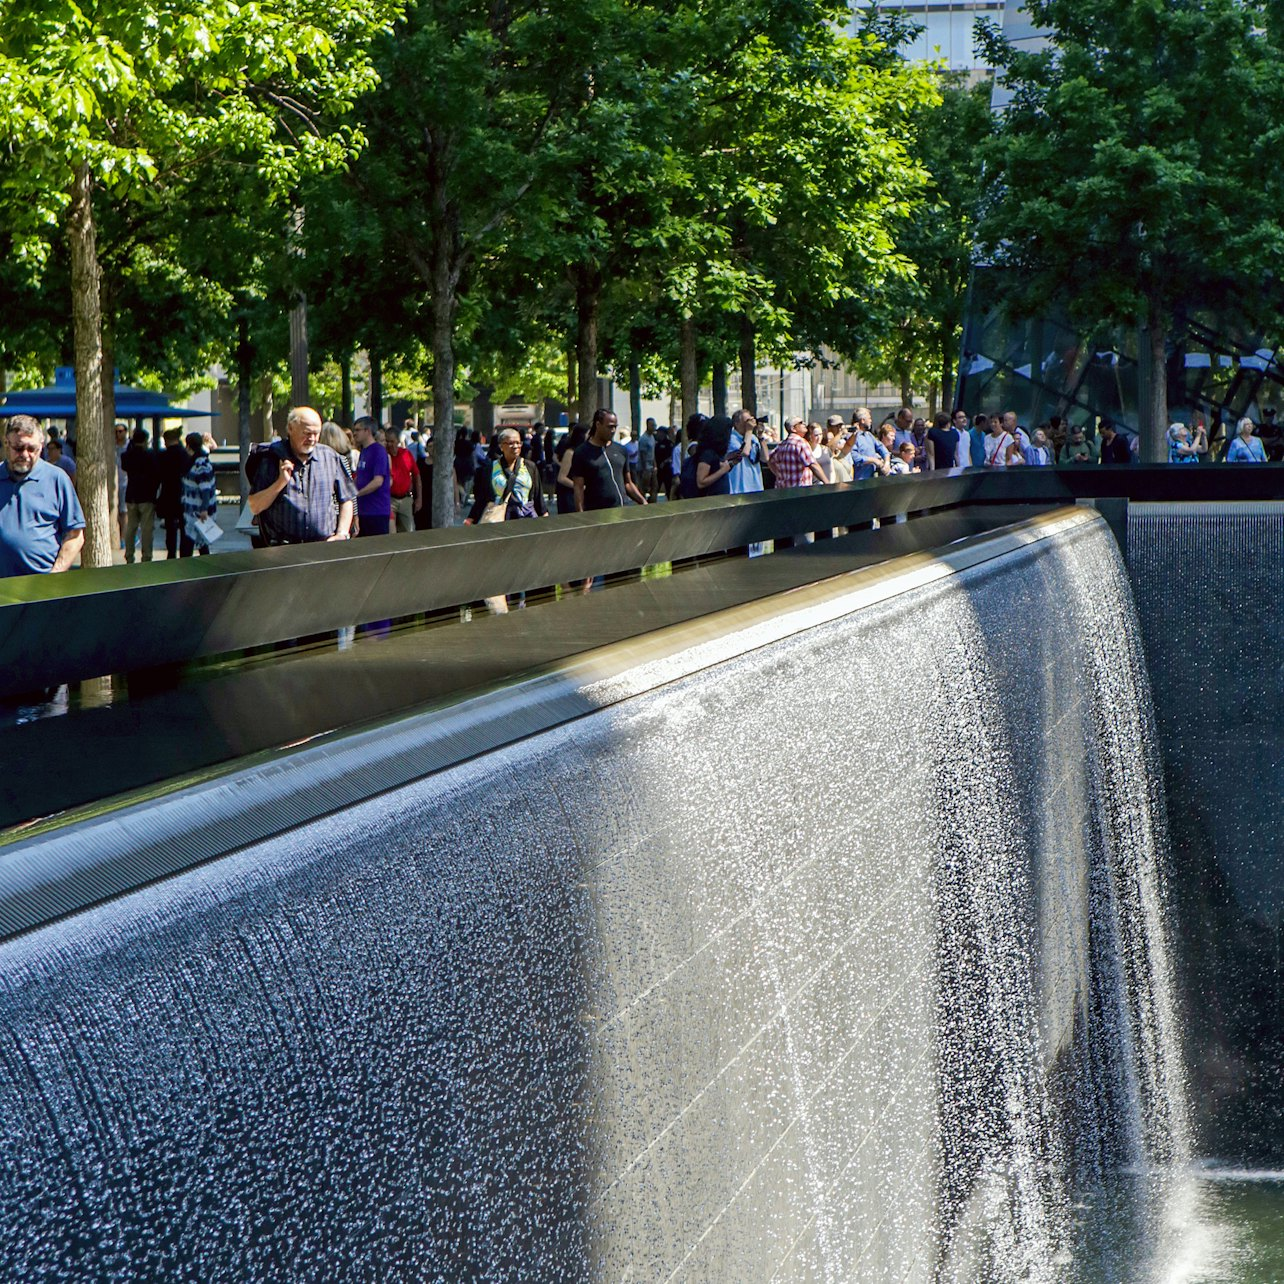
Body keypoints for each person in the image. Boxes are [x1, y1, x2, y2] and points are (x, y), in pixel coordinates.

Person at [248, 405, 356, 544]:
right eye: (307, 433)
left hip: (323, 546)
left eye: (316, 433)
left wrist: (342, 533)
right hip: (283, 549)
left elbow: (347, 498)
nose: (312, 438)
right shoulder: (271, 459)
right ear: (290, 429)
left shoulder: (331, 457)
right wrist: (281, 482)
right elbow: (254, 506)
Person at [0, 415, 85, 577]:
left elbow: (75, 535)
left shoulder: (57, 479)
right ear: (6, 444)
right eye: (18, 448)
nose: (25, 454)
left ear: (41, 447)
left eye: (31, 449)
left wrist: (55, 575)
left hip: (42, 587)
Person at [464, 427, 548, 524]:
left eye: (518, 443)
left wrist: (544, 517)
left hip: (526, 518)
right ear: (501, 446)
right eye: (511, 443)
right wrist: (471, 518)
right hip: (500, 518)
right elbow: (482, 498)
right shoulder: (491, 468)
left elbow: (538, 497)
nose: (515, 446)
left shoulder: (530, 467)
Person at [571, 409, 648, 511]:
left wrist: (643, 502)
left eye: (615, 427)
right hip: (597, 512)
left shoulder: (621, 450)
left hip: (621, 510)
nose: (613, 430)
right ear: (598, 424)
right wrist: (580, 513)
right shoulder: (582, 452)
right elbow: (578, 487)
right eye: (610, 427)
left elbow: (628, 483)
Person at [120, 427, 160, 562]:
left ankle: (129, 554)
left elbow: (125, 467)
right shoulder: (150, 456)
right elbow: (156, 474)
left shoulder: (126, 455)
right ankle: (147, 555)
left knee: (131, 526)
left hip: (131, 493)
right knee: (147, 528)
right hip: (147, 494)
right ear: (145, 440)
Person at [179, 432, 219, 557]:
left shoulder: (199, 464)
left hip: (197, 513)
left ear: (189, 446)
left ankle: (189, 571)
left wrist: (204, 509)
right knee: (201, 544)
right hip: (192, 512)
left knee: (192, 544)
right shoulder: (200, 461)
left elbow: (205, 488)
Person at [352, 416, 392, 537]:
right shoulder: (364, 451)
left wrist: (357, 494)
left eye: (358, 430)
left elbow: (378, 481)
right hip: (364, 509)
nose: (354, 433)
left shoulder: (378, 451)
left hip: (377, 510)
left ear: (367, 431)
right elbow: (360, 476)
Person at [155, 426, 191, 558]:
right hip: (183, 494)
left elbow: (157, 477)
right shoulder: (184, 455)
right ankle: (184, 553)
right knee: (184, 526)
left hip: (168, 494)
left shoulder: (162, 456)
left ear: (166, 440)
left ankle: (171, 553)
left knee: (170, 528)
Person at [385, 425, 422, 533]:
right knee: (391, 532)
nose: (389, 444)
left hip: (405, 499)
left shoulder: (406, 454)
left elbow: (416, 475)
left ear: (398, 441)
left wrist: (419, 498)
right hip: (389, 499)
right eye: (387, 441)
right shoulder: (383, 456)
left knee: (408, 530)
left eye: (392, 441)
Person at [694, 416, 737, 496]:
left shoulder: (717, 452)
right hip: (712, 500)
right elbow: (701, 482)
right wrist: (723, 470)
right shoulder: (707, 454)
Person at [841, 407, 887, 480]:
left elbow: (882, 448)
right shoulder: (851, 437)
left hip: (873, 478)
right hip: (860, 480)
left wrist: (886, 462)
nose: (871, 421)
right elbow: (855, 457)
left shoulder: (869, 435)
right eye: (869, 418)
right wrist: (874, 460)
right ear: (862, 420)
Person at [554, 424, 587, 515]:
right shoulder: (570, 453)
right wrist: (578, 486)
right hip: (569, 495)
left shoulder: (585, 452)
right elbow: (561, 478)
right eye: (588, 434)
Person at [637, 418, 658, 502]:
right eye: (652, 425)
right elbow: (643, 455)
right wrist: (645, 469)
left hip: (651, 467)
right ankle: (642, 503)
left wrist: (655, 465)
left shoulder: (652, 437)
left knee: (655, 486)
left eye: (655, 425)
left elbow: (653, 453)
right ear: (648, 425)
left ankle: (652, 502)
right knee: (643, 488)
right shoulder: (644, 439)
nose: (654, 427)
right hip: (644, 468)